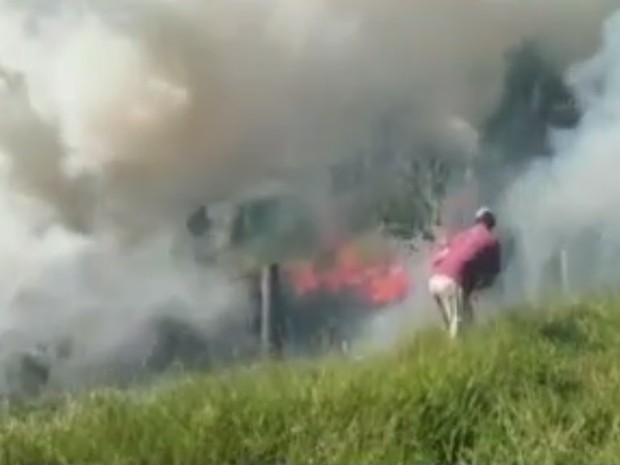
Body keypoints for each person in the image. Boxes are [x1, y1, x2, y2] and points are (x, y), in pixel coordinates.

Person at [427, 207, 501, 338]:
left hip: (435, 280)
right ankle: (454, 354)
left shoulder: (462, 235)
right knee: (458, 323)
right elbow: (494, 272)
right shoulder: (491, 241)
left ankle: (456, 345)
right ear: (491, 223)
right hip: (452, 281)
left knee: (458, 321)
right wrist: (479, 286)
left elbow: (437, 259)